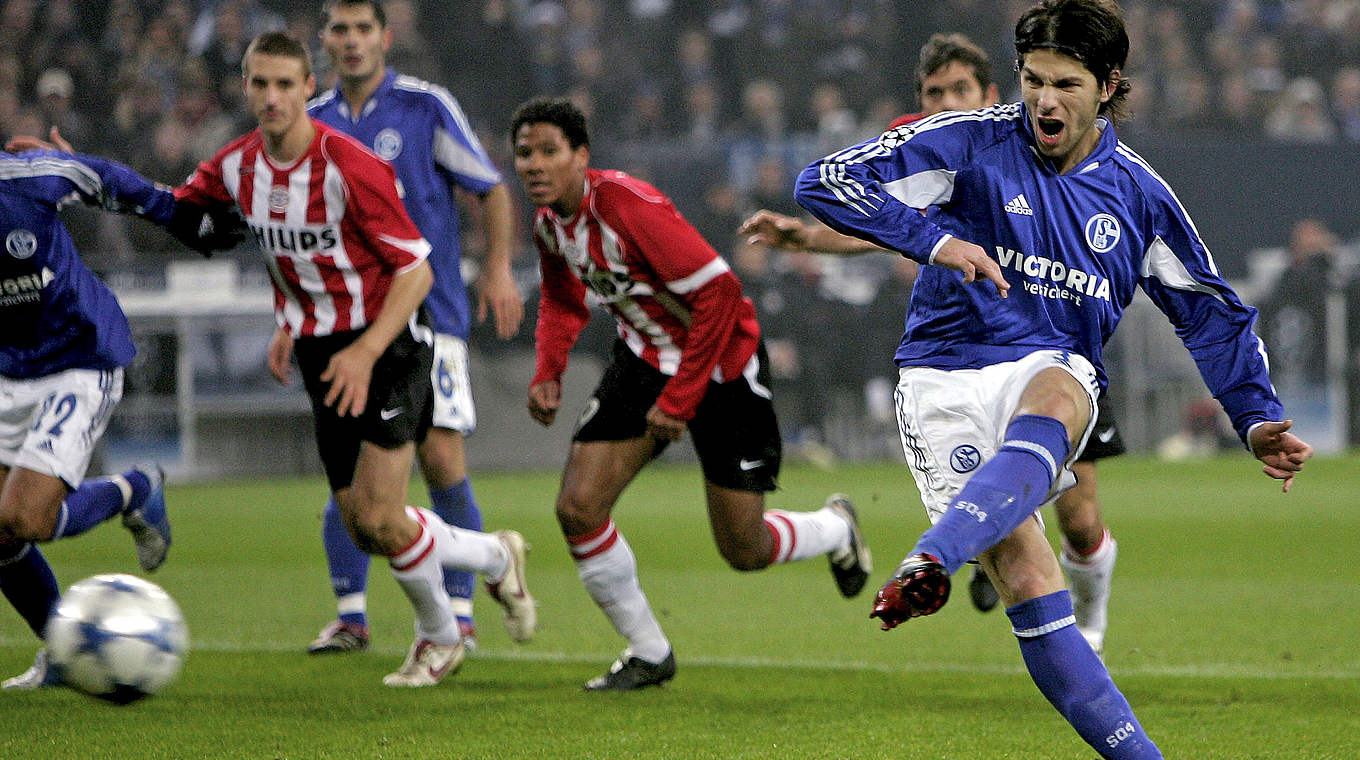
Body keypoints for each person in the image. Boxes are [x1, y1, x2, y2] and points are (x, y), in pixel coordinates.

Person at [794, 1, 1312, 757]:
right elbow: (825, 181)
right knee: (1032, 586)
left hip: (1048, 364)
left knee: (1063, 388)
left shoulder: (1137, 193)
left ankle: (933, 556)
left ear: (1107, 86)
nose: (1042, 99)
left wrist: (1256, 415)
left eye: (1064, 83)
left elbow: (1208, 311)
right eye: (1032, 79)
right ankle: (954, 557)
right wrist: (935, 240)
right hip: (941, 378)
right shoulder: (968, 140)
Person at [743, 30, 1125, 654]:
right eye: (934, 93)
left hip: (1051, 345)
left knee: (1081, 521)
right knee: (994, 503)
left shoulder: (1042, 147)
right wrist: (811, 238)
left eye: (960, 90)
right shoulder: (930, 153)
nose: (947, 103)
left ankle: (1091, 613)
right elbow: (887, 222)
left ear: (994, 94)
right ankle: (1011, 579)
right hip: (960, 352)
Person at [175, 31, 535, 687]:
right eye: (260, 83)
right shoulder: (243, 164)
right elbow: (281, 249)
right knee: (363, 520)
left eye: (285, 83)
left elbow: (431, 252)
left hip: (400, 336)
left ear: (308, 85)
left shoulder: (398, 126)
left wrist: (495, 271)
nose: (272, 96)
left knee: (418, 478)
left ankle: (443, 632)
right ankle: (488, 557)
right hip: (326, 346)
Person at [510, 98, 872, 691]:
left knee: (744, 547)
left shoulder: (627, 205)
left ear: (581, 156)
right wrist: (548, 368)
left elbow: (722, 294)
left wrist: (680, 398)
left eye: (549, 151)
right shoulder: (551, 223)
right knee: (577, 507)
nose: (534, 164)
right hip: (645, 358)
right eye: (524, 153)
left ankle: (835, 528)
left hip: (724, 360)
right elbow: (561, 299)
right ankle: (648, 650)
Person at [301, 0, 523, 655]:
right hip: (344, 323)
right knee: (351, 470)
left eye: (361, 28)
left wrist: (500, 268)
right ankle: (350, 615)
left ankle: (459, 612)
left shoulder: (426, 108)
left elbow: (490, 185)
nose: (350, 41)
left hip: (433, 314)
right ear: (326, 40)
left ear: (384, 38)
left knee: (441, 457)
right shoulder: (311, 121)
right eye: (338, 29)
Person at [0, 140, 245, 689]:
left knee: (24, 520)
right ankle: (63, 653)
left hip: (79, 358)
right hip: (7, 372)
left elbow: (100, 173)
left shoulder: (27, 181)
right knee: (2, 533)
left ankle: (134, 489)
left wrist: (183, 217)